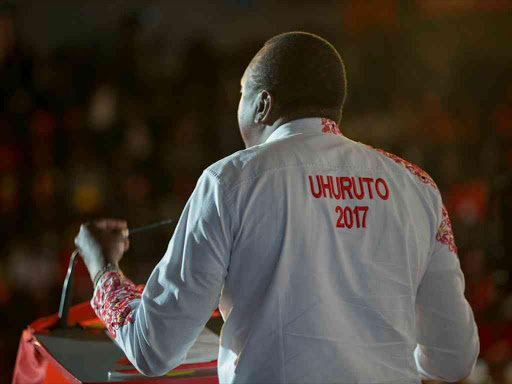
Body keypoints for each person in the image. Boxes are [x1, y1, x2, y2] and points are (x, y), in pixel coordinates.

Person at [75, 32, 479, 383]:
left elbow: (153, 348)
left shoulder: (229, 181)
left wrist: (102, 268)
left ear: (262, 105)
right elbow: (453, 359)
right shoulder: (417, 187)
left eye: (241, 94)